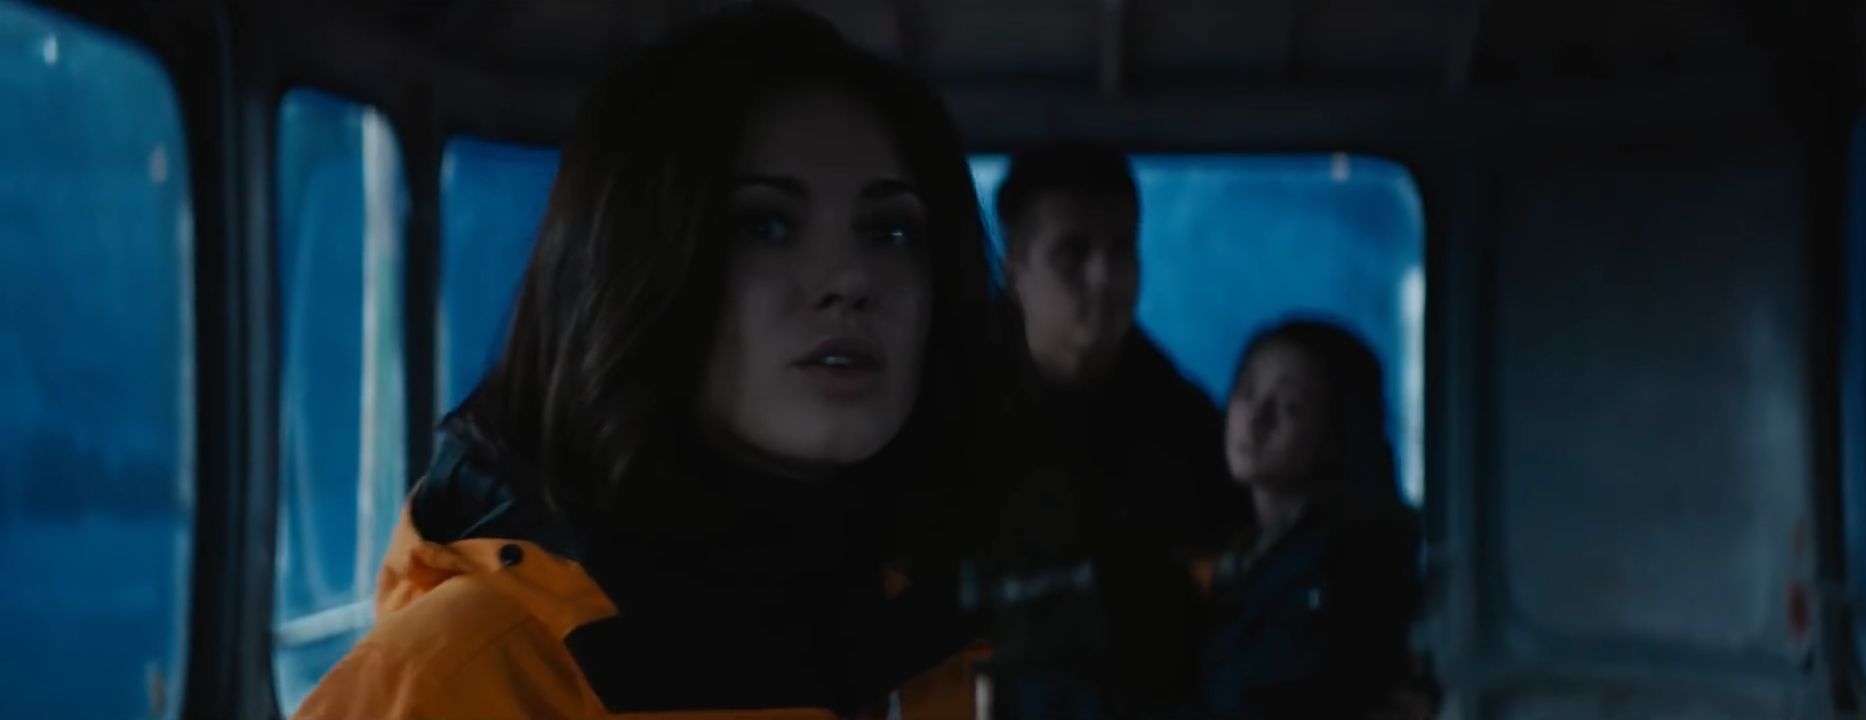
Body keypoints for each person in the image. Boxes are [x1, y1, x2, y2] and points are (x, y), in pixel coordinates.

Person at [294, 5, 1013, 718]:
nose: (850, 279)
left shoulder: (931, 632)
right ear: (632, 264)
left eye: (890, 231)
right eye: (765, 225)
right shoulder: (460, 678)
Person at [977, 144, 1249, 718]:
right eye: (1072, 253)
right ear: (1013, 270)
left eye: (1122, 249)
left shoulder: (1185, 425)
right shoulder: (946, 415)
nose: (1104, 278)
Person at [1196, 319, 1423, 719]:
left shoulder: (1343, 574)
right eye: (1246, 391)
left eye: (1290, 407)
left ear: (1335, 434)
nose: (1256, 419)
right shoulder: (1241, 554)